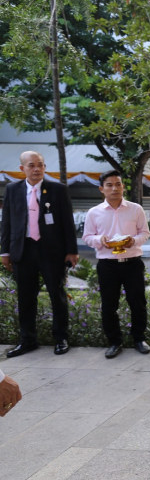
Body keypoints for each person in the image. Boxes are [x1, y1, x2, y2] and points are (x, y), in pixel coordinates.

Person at [1, 151, 78, 357]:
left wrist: (72, 251)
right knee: (25, 297)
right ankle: (27, 340)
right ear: (22, 169)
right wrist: (5, 252)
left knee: (57, 295)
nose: (37, 169)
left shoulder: (57, 190)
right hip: (23, 250)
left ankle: (61, 338)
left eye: (41, 165)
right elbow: (7, 222)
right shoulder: (12, 189)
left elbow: (67, 222)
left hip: (52, 251)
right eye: (32, 165)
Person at [82, 170, 150, 359]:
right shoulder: (93, 212)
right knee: (109, 305)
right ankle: (114, 341)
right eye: (109, 185)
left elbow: (145, 233)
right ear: (102, 189)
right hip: (107, 265)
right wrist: (100, 240)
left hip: (132, 263)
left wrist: (133, 241)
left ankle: (139, 338)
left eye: (118, 184)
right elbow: (87, 237)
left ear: (123, 187)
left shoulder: (135, 209)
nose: (115, 188)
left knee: (138, 303)